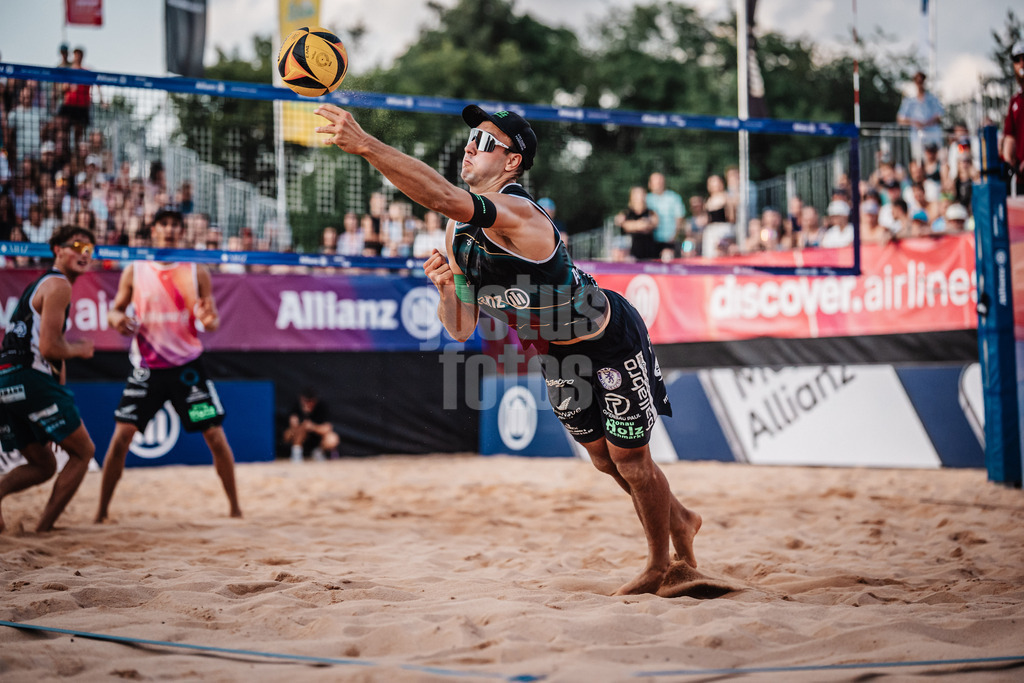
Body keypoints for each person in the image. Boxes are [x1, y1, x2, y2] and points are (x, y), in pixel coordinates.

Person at [314, 102, 702, 596]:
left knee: (630, 459)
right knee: (603, 460)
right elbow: (461, 328)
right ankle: (681, 518)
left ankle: (664, 562)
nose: (469, 148)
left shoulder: (519, 213)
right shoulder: (457, 235)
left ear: (512, 161)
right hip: (557, 353)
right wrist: (447, 290)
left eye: (484, 142)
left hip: (607, 338)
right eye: (469, 140)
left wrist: (367, 144)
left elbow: (442, 196)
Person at [94, 208, 242, 523]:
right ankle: (101, 513)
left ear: (181, 231)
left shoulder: (195, 270)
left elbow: (212, 320)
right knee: (121, 438)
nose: (170, 229)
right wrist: (117, 319)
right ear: (154, 230)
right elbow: (115, 310)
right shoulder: (136, 269)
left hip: (188, 370)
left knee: (215, 437)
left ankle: (235, 508)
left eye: (176, 225)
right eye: (164, 224)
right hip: (146, 369)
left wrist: (208, 320)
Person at [0, 224, 97, 533]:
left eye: (89, 249)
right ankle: (44, 530)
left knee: (44, 466)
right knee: (83, 452)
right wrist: (81, 349)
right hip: (29, 379)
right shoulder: (59, 285)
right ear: (57, 249)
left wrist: (57, 397)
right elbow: (50, 348)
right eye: (77, 246)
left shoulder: (40, 284)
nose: (84, 253)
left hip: (5, 382)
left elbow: (52, 353)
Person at [897, 71, 945, 162]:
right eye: (917, 81)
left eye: (921, 81)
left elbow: (940, 116)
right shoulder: (909, 101)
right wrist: (914, 122)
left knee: (937, 160)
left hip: (933, 135)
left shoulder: (933, 99)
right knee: (919, 161)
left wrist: (928, 122)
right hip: (917, 137)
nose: (920, 84)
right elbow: (900, 119)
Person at [283, 388, 340, 463]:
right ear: (301, 399)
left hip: (317, 438)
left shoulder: (322, 406)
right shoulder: (295, 406)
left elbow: (327, 428)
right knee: (292, 432)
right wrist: (300, 425)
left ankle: (318, 453)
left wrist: (312, 427)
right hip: (299, 437)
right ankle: (296, 453)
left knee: (332, 438)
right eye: (306, 401)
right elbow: (289, 432)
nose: (309, 404)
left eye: (311, 401)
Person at [1001, 41, 1024, 196]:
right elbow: (1010, 135)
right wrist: (1008, 159)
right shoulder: (1015, 100)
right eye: (1017, 59)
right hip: (1021, 177)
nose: (1021, 63)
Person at [646, 172, 685, 260]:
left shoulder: (673, 197)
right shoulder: (646, 199)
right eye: (656, 182)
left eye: (660, 181)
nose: (658, 184)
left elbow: (679, 219)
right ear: (650, 184)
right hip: (651, 242)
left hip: (670, 241)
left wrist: (674, 236)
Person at [613, 185, 659, 261]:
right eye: (637, 194)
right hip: (630, 255)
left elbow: (652, 225)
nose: (640, 197)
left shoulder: (651, 213)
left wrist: (633, 225)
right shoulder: (625, 213)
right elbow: (626, 226)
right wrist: (640, 224)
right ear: (632, 197)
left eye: (642, 194)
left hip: (648, 253)